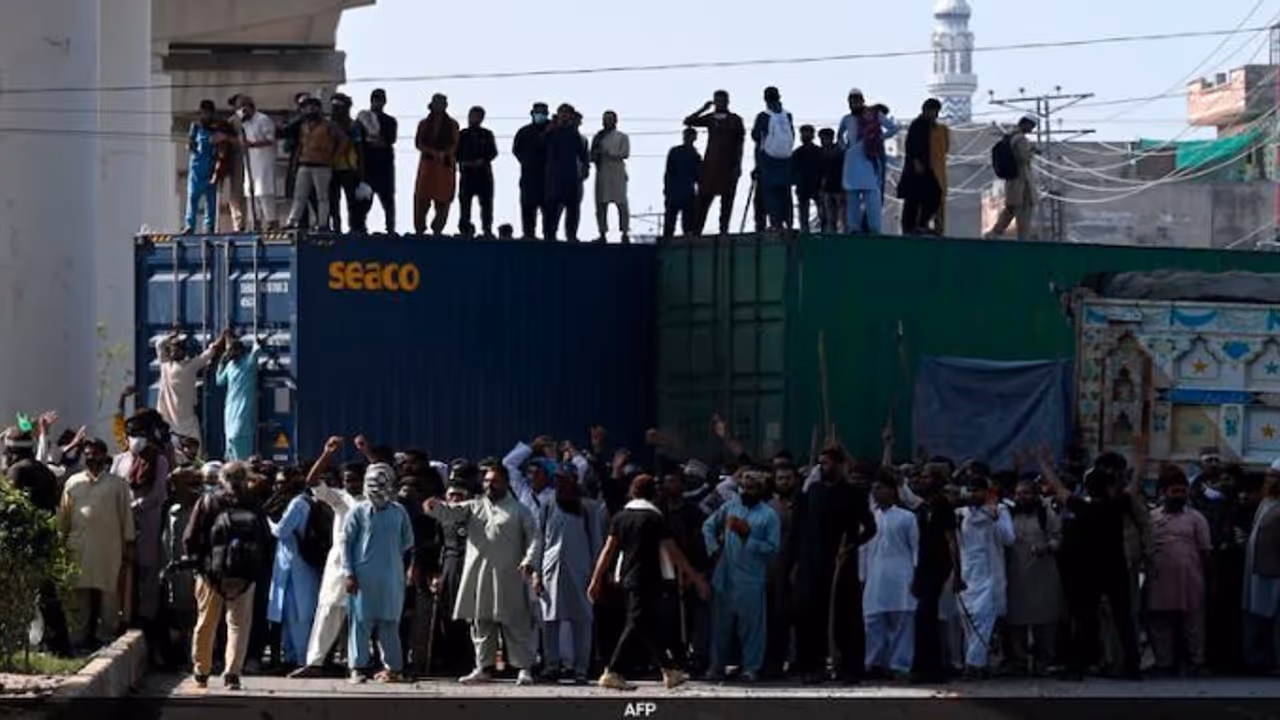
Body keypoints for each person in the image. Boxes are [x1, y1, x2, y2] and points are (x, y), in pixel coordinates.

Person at [588, 474, 711, 691]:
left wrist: (596, 579)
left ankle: (668, 669)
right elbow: (673, 552)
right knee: (636, 622)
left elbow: (608, 551)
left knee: (644, 624)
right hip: (649, 579)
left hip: (627, 578)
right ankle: (613, 671)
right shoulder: (655, 518)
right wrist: (695, 577)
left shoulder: (620, 517)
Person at [424, 462, 541, 686]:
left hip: (509, 576)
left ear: (506, 483)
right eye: (486, 480)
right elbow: (450, 512)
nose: (489, 485)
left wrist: (529, 561)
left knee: (516, 623)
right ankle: (483, 668)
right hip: (479, 574)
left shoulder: (519, 510)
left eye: (494, 480)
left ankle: (524, 668)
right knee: (481, 622)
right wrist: (434, 506)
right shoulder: (474, 506)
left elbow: (535, 537)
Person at [1040, 447, 1141, 679]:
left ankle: (1078, 667)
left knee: (1085, 619)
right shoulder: (1117, 506)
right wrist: (1140, 458)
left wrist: (1044, 464)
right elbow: (1134, 485)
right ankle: (1132, 667)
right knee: (1123, 618)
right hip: (1115, 569)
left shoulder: (1082, 507)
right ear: (1109, 486)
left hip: (1089, 571)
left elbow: (1059, 488)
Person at [181, 461, 271, 690]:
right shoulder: (253, 504)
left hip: (210, 572)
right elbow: (266, 539)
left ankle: (201, 671)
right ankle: (232, 674)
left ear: (222, 478)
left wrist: (197, 564)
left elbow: (190, 536)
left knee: (206, 622)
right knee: (238, 624)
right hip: (244, 576)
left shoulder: (209, 501)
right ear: (246, 479)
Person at [791, 447, 877, 684]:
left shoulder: (854, 494)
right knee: (810, 615)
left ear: (840, 465)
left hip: (842, 565)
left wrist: (851, 545)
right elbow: (803, 529)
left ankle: (850, 669)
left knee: (846, 618)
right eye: (820, 464)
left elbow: (870, 528)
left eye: (826, 463)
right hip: (814, 564)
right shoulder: (813, 492)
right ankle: (812, 666)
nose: (822, 468)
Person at [290, 438, 364, 677]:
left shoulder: (377, 500)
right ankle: (315, 663)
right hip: (339, 562)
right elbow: (312, 481)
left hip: (367, 562)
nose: (350, 484)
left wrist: (366, 452)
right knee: (329, 609)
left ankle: (359, 665)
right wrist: (326, 454)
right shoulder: (340, 498)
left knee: (364, 615)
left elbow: (383, 472)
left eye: (354, 479)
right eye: (346, 480)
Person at [702, 470, 780, 682]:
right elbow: (708, 526)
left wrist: (748, 538)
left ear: (760, 490)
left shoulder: (768, 515)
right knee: (720, 627)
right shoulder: (731, 507)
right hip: (725, 576)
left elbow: (773, 548)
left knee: (752, 627)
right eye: (743, 488)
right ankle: (716, 667)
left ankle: (751, 668)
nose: (746, 492)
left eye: (752, 488)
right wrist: (714, 548)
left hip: (751, 579)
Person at [58, 439, 136, 650]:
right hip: (78, 548)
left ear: (104, 456)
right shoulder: (73, 482)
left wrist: (129, 544)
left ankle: (106, 637)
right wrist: (60, 542)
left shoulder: (117, 485)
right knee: (78, 596)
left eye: (96, 454)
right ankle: (78, 640)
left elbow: (126, 517)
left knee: (109, 595)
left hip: (108, 550)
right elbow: (64, 518)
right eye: (88, 454)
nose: (91, 458)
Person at [343, 463, 415, 684]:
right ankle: (358, 668)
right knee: (360, 623)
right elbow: (345, 542)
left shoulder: (398, 512)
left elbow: (407, 542)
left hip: (392, 578)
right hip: (362, 578)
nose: (376, 489)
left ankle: (393, 669)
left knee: (389, 623)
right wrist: (348, 572)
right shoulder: (357, 511)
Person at [533, 464, 605, 683]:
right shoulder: (548, 504)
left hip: (581, 571)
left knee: (581, 619)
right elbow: (539, 540)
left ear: (575, 480)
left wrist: (596, 575)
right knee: (549, 620)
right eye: (558, 480)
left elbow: (596, 542)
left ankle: (581, 669)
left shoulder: (588, 507)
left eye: (565, 479)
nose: (561, 484)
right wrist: (536, 572)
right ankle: (551, 666)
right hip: (551, 569)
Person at [113, 411, 172, 664]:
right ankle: (122, 616)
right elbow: (114, 489)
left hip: (148, 525)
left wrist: (136, 506)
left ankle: (146, 620)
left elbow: (159, 493)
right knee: (123, 572)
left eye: (141, 435)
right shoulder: (119, 461)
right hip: (122, 528)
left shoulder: (159, 461)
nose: (136, 440)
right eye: (132, 435)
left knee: (148, 574)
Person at [1146, 465, 1211, 675]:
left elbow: (1205, 551)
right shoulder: (1151, 518)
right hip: (1159, 580)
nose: (1179, 495)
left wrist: (1209, 579)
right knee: (1160, 623)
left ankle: (1197, 662)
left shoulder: (1196, 518)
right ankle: (1163, 664)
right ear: (1163, 492)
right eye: (1175, 491)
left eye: (1183, 491)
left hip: (1190, 580)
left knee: (1193, 623)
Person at [862, 472, 919, 680]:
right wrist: (862, 576)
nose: (875, 492)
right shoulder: (870, 516)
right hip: (874, 575)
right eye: (873, 488)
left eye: (880, 488)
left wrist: (916, 576)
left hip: (902, 575)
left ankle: (899, 665)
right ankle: (874, 663)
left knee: (901, 621)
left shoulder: (907, 517)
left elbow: (916, 549)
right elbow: (865, 550)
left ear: (892, 491)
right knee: (873, 620)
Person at [955, 477, 1014, 677]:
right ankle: (976, 663)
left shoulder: (1001, 511)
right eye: (970, 490)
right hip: (966, 574)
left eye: (977, 491)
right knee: (968, 618)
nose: (973, 494)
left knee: (984, 617)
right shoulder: (960, 514)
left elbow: (1009, 539)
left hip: (990, 574)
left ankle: (973, 664)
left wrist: (994, 517)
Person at [1004, 479, 1062, 676]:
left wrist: (1047, 547)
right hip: (1015, 575)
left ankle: (1043, 662)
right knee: (1015, 620)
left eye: (1027, 493)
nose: (1022, 497)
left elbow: (1059, 538)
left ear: (1035, 495)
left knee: (1045, 620)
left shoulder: (1046, 514)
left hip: (1042, 574)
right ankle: (1018, 662)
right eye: (1019, 493)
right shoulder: (1008, 514)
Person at [266, 469, 321, 669]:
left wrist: (269, 521)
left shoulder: (298, 503)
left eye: (282, 483)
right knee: (289, 614)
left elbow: (281, 531)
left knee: (300, 615)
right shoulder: (301, 501)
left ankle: (302, 660)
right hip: (291, 567)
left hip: (300, 566)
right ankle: (291, 658)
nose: (278, 487)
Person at [909, 463, 959, 684]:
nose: (922, 480)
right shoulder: (923, 506)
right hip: (924, 565)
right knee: (924, 618)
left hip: (939, 565)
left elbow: (951, 540)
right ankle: (925, 666)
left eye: (927, 477)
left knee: (925, 614)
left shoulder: (943, 505)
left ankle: (932, 667)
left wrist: (957, 572)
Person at [684, 91, 746, 236]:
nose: (720, 103)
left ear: (727, 101)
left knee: (727, 200)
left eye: (722, 100)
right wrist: (704, 109)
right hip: (710, 166)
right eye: (717, 101)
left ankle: (723, 230)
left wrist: (738, 165)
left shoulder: (735, 120)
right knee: (703, 200)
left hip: (729, 166)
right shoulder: (711, 118)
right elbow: (688, 121)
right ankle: (696, 231)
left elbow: (740, 144)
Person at [837, 89, 899, 235]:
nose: (854, 104)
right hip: (852, 161)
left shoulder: (874, 115)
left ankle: (874, 229)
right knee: (852, 198)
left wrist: (878, 139)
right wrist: (845, 148)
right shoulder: (847, 119)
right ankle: (854, 229)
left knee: (872, 197)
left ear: (863, 101)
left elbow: (893, 128)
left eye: (857, 100)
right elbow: (839, 136)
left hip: (869, 159)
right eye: (852, 101)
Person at [156, 328, 223, 456]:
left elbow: (159, 345)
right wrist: (222, 338)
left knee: (172, 453)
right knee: (195, 452)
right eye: (173, 350)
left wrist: (171, 335)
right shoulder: (190, 366)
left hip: (167, 420)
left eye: (175, 350)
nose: (173, 352)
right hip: (185, 419)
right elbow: (209, 353)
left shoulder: (165, 366)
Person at [432, 480, 475, 677]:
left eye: (460, 495)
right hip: (449, 564)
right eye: (451, 495)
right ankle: (451, 660)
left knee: (471, 616)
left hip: (470, 564)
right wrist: (436, 574)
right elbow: (436, 547)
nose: (455, 499)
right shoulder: (441, 518)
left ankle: (471, 661)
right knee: (448, 614)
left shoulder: (474, 517)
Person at [1242, 459, 1280, 673]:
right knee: (1258, 614)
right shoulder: (1266, 502)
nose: (1268, 480)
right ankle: (1256, 659)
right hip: (1257, 571)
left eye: (1273, 476)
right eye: (1268, 476)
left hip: (1275, 571)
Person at [285, 97, 345, 231]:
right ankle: (292, 221)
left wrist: (335, 158)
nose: (310, 110)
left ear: (319, 109)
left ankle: (323, 223)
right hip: (304, 164)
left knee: (322, 196)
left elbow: (343, 140)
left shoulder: (329, 125)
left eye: (313, 107)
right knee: (299, 195)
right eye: (308, 107)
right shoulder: (303, 125)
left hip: (322, 165)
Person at [898, 99, 948, 236]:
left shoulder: (929, 126)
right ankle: (911, 227)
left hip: (925, 168)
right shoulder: (918, 125)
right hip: (916, 169)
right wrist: (916, 162)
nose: (936, 115)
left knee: (932, 196)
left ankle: (920, 224)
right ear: (927, 110)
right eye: (934, 111)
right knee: (914, 199)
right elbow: (911, 146)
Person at [413, 93, 461, 236]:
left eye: (442, 103)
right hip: (428, 166)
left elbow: (455, 143)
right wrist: (433, 153)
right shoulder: (424, 124)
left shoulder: (452, 124)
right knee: (422, 197)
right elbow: (418, 143)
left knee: (444, 199)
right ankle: (420, 229)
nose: (439, 105)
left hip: (445, 166)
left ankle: (438, 229)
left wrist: (444, 154)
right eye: (437, 102)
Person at [750, 87, 795, 232]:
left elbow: (757, 137)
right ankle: (788, 223)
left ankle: (775, 224)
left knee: (770, 192)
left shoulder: (763, 116)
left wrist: (757, 165)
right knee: (785, 192)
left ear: (765, 99)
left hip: (768, 159)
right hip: (786, 159)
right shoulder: (787, 115)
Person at [987, 115, 1038, 241]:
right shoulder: (1020, 139)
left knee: (1013, 209)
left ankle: (995, 234)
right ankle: (1021, 238)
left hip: (1013, 180)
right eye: (1031, 126)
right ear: (1025, 124)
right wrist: (1032, 151)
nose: (1031, 130)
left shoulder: (1009, 137)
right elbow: (1023, 157)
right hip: (1020, 181)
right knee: (1021, 210)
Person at [544, 104, 589, 242]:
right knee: (552, 209)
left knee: (573, 208)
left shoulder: (574, 134)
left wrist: (585, 169)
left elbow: (583, 154)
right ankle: (550, 236)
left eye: (567, 113)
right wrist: (550, 129)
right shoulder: (551, 131)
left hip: (571, 177)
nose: (564, 116)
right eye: (562, 113)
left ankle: (571, 235)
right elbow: (541, 145)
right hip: (554, 177)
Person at [356, 89, 398, 234]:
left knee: (388, 199)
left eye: (380, 100)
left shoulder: (390, 121)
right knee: (364, 199)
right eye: (375, 99)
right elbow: (358, 140)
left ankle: (390, 229)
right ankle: (360, 228)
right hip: (367, 164)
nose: (378, 102)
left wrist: (374, 142)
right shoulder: (362, 118)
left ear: (384, 102)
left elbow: (389, 140)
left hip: (384, 165)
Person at [215, 330, 260, 461]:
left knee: (239, 437)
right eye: (228, 351)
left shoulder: (249, 363)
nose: (229, 354)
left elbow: (256, 352)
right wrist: (221, 363)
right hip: (230, 407)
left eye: (231, 351)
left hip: (243, 407)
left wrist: (256, 343)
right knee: (231, 440)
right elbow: (219, 381)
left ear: (240, 351)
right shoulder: (230, 365)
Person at [236, 96, 279, 231]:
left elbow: (270, 140)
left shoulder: (263, 120)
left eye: (243, 108)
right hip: (250, 162)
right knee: (250, 193)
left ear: (250, 107)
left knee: (265, 192)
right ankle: (255, 222)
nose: (241, 112)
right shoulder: (244, 123)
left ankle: (271, 222)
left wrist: (252, 144)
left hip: (263, 161)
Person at [184, 100, 227, 234]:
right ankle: (189, 225)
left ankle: (209, 227)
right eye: (203, 113)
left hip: (210, 167)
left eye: (208, 113)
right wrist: (191, 146)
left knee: (211, 200)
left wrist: (217, 170)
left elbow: (222, 149)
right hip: (196, 168)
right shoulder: (195, 126)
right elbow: (189, 144)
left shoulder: (218, 127)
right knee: (192, 197)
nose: (205, 116)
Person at [328, 94, 368, 234]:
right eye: (333, 108)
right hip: (331, 168)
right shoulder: (328, 125)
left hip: (349, 168)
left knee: (353, 201)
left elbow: (360, 150)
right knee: (332, 201)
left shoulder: (354, 126)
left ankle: (355, 228)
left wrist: (362, 173)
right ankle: (336, 228)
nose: (335, 111)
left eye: (339, 108)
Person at [457, 106, 498, 237]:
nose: (474, 119)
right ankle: (464, 230)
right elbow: (455, 153)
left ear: (481, 119)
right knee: (465, 204)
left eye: (477, 116)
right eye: (472, 116)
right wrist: (464, 162)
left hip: (484, 175)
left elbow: (493, 152)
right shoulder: (462, 134)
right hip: (467, 174)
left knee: (486, 204)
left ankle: (487, 230)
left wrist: (482, 160)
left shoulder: (487, 134)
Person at [513, 102, 552, 239]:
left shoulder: (554, 130)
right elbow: (516, 150)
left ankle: (549, 236)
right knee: (528, 206)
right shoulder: (524, 132)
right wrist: (527, 161)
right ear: (532, 113)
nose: (539, 115)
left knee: (549, 209)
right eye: (537, 112)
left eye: (542, 112)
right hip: (529, 176)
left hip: (549, 177)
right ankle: (528, 234)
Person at [591, 111, 631, 243]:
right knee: (601, 205)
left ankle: (625, 232)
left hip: (617, 173)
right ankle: (602, 233)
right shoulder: (598, 137)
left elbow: (625, 153)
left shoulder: (622, 137)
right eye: (605, 119)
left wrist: (608, 153)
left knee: (622, 204)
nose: (607, 121)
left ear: (615, 121)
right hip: (602, 173)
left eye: (609, 119)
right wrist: (596, 154)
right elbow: (591, 155)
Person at [663, 128, 701, 239]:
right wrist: (667, 189)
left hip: (685, 191)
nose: (688, 138)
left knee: (686, 221)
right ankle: (669, 239)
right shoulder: (676, 152)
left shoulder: (695, 155)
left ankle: (683, 238)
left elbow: (698, 176)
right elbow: (669, 172)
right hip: (676, 191)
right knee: (671, 220)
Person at [791, 125, 823, 233]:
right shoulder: (797, 153)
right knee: (803, 215)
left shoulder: (819, 151)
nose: (805, 136)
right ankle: (805, 234)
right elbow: (792, 169)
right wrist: (795, 181)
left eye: (808, 133)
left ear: (813, 135)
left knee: (823, 214)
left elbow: (824, 168)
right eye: (803, 133)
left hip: (817, 185)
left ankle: (824, 233)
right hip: (802, 186)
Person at [818, 128, 845, 233]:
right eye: (821, 138)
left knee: (842, 216)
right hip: (826, 188)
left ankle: (843, 235)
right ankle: (831, 235)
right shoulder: (820, 152)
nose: (823, 141)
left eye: (825, 138)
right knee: (829, 217)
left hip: (839, 187)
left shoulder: (839, 152)